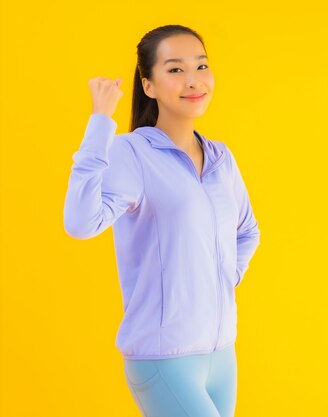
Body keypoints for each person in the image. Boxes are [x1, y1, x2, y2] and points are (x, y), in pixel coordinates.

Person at [63, 24, 261, 417]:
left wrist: (222, 276)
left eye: (201, 66)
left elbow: (248, 230)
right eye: (174, 69)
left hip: (222, 354)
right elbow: (81, 222)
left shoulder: (221, 158)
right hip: (163, 355)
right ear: (148, 85)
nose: (193, 80)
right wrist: (101, 121)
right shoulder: (133, 153)